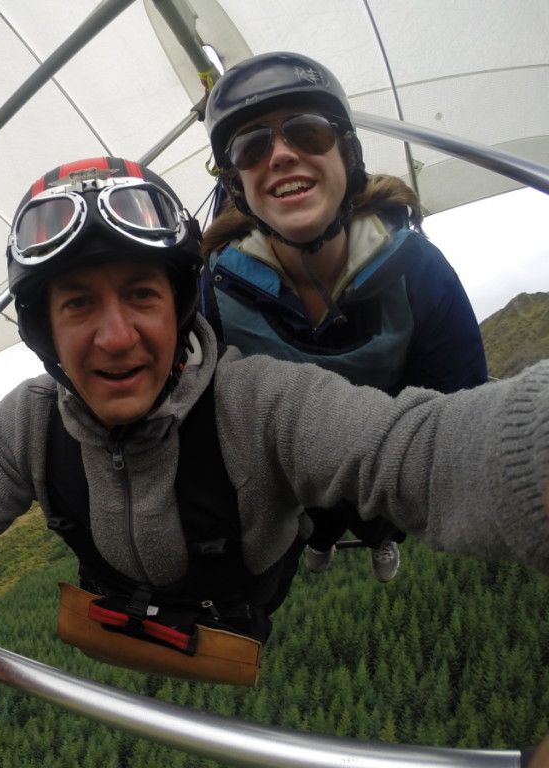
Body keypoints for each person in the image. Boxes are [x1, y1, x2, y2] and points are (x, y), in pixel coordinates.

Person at [0, 156, 549, 734]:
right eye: (79, 304)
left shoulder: (261, 404)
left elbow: (418, 451)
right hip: (124, 626)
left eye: (142, 294)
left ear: (179, 306)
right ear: (45, 333)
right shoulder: (29, 425)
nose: (116, 337)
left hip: (241, 618)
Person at [199, 51, 488, 582]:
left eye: (307, 132)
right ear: (238, 182)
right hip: (298, 473)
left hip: (392, 456)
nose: (282, 155)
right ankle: (322, 541)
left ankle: (381, 541)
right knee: (319, 518)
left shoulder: (415, 270)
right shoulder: (218, 289)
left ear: (347, 152)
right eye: (252, 146)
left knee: (381, 516)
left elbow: (459, 401)